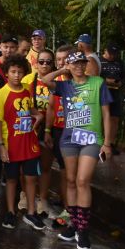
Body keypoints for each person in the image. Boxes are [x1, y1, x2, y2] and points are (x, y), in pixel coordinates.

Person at [41, 51, 113, 249]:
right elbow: (44, 79)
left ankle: (83, 230)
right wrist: (64, 69)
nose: (79, 66)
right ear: (69, 67)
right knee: (71, 181)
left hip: (92, 139)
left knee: (82, 180)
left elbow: (106, 114)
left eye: (82, 63)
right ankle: (74, 224)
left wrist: (107, 142)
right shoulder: (65, 86)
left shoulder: (98, 83)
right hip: (69, 140)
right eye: (75, 63)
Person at [0, 54, 45, 231]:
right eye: (13, 71)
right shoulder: (1, 94)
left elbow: (32, 109)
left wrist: (38, 116)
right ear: (6, 73)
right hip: (11, 143)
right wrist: (1, 146)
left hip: (29, 142)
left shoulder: (28, 89)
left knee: (30, 178)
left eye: (20, 72)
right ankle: (11, 211)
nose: (16, 75)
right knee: (12, 179)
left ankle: (31, 212)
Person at [21, 49, 56, 217]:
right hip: (30, 126)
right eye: (41, 61)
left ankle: (42, 199)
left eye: (48, 62)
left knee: (45, 165)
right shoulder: (28, 79)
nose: (44, 65)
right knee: (27, 165)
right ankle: (24, 195)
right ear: (36, 63)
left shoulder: (57, 81)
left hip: (48, 127)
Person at [44, 45, 74, 226]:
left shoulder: (82, 80)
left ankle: (70, 210)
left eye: (66, 59)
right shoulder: (58, 81)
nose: (62, 63)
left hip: (75, 132)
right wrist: (47, 130)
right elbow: (51, 107)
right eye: (59, 60)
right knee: (65, 172)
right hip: (58, 129)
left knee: (71, 175)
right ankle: (67, 208)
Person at [99, 43, 124, 154]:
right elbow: (93, 76)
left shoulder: (119, 62)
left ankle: (110, 143)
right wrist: (106, 81)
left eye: (115, 54)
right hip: (102, 92)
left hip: (115, 92)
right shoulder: (98, 61)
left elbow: (124, 76)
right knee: (102, 117)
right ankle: (99, 141)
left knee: (114, 118)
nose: (112, 56)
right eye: (110, 53)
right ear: (105, 51)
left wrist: (120, 83)